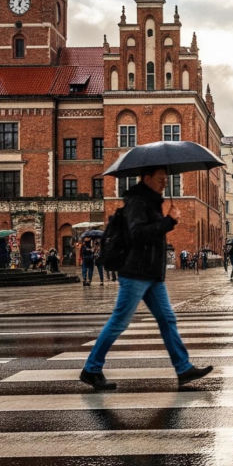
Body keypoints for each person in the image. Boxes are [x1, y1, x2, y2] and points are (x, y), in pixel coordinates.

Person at [80, 166, 212, 391]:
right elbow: (137, 234)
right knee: (120, 321)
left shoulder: (151, 200)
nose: (164, 183)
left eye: (166, 179)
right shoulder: (138, 202)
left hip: (150, 273)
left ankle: (183, 368)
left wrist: (166, 219)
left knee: (167, 319)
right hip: (136, 272)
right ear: (147, 177)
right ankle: (91, 369)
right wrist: (169, 221)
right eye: (160, 179)